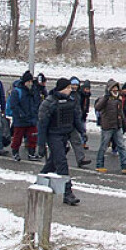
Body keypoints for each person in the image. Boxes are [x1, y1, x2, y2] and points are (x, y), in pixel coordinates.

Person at [38, 78, 85, 206]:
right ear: (62, 89)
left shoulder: (71, 101)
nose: (71, 89)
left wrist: (82, 131)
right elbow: (42, 125)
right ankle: (67, 192)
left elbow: (76, 118)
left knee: (53, 163)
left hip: (65, 134)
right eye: (69, 87)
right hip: (53, 136)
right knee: (61, 163)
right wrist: (41, 145)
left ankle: (38, 185)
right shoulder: (49, 102)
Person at [95, 79, 126, 174]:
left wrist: (124, 124)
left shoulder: (118, 99)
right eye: (113, 88)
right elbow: (98, 107)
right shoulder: (104, 99)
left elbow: (121, 113)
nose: (115, 90)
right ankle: (99, 165)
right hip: (107, 126)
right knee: (103, 146)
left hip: (117, 126)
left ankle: (124, 165)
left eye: (116, 88)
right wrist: (106, 97)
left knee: (121, 146)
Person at [9, 71, 41, 161]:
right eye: (28, 81)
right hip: (21, 119)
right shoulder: (17, 91)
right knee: (17, 137)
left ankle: (31, 153)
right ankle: (15, 153)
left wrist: (35, 113)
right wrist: (21, 114)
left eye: (31, 81)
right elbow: (14, 105)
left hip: (32, 118)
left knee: (33, 137)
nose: (30, 83)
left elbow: (37, 102)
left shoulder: (34, 91)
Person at [68, 77, 91, 167]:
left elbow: (78, 110)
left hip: (74, 122)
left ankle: (81, 159)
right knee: (62, 144)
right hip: (64, 123)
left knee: (77, 141)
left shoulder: (78, 95)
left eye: (76, 85)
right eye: (73, 85)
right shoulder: (66, 94)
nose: (74, 87)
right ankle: (55, 160)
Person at [79, 80, 91, 149]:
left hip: (83, 115)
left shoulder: (87, 96)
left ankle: (83, 143)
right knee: (81, 129)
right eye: (86, 89)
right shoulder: (81, 95)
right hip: (79, 114)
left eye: (88, 89)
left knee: (83, 129)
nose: (87, 90)